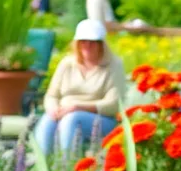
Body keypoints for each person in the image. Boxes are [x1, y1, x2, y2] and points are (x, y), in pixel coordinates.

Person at [35, 19, 125, 156]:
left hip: (100, 119)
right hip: (63, 111)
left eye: (92, 42)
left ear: (101, 44)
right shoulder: (67, 63)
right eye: (83, 41)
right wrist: (53, 108)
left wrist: (78, 107)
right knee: (47, 121)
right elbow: (52, 95)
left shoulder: (114, 65)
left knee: (71, 120)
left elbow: (114, 104)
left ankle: (68, 165)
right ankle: (41, 163)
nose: (87, 46)